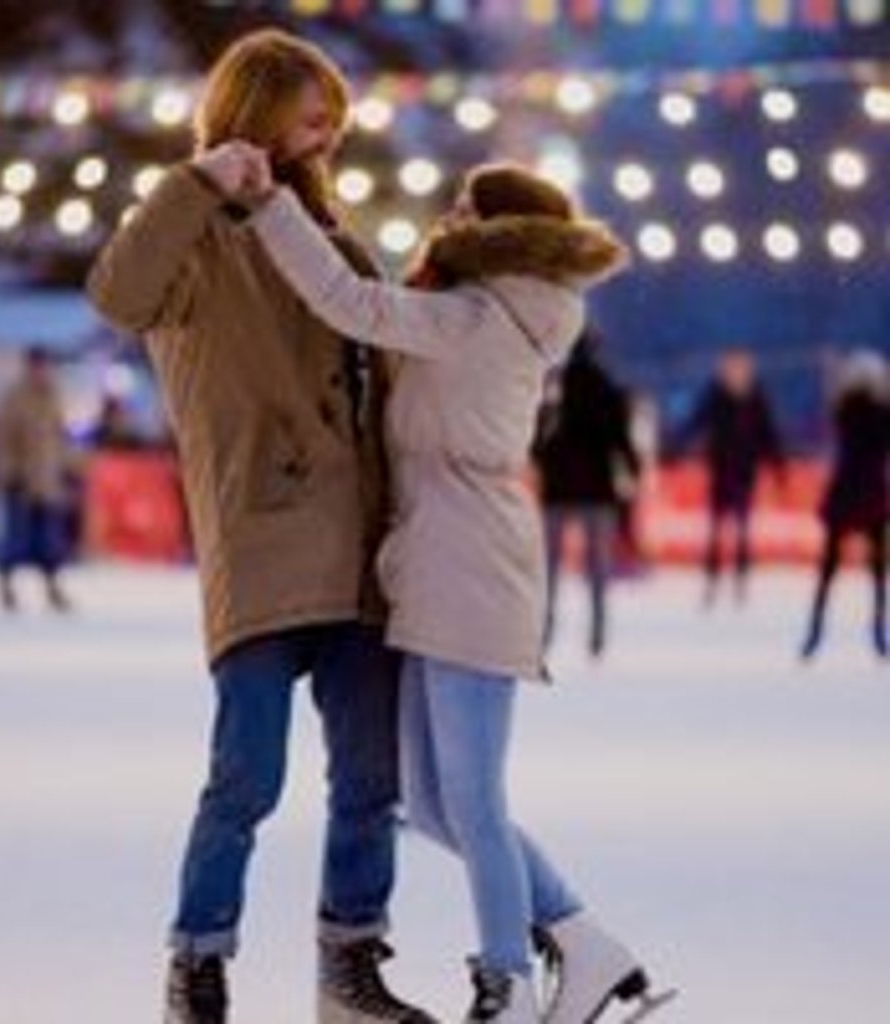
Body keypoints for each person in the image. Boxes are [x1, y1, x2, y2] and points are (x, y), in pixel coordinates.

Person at [216, 147, 673, 1023]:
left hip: (469, 568)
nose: (450, 218)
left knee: (471, 800)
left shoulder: (474, 314)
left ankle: (506, 979)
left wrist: (272, 205)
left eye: (467, 207)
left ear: (503, 229)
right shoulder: (483, 311)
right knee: (429, 803)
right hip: (445, 563)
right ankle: (582, 940)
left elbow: (348, 303)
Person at [86, 30, 433, 1024]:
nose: (328, 134)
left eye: (334, 118)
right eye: (312, 111)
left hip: (360, 550)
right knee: (246, 775)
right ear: (260, 108)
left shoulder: (335, 240)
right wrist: (192, 183)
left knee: (372, 778)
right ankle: (197, 964)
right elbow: (116, 294)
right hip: (263, 534)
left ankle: (349, 964)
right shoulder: (190, 246)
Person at [530, 329, 641, 658]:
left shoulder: (555, 390)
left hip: (558, 492)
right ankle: (597, 635)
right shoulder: (609, 389)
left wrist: (546, 464)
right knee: (597, 569)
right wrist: (634, 473)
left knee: (549, 568)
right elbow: (620, 439)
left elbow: (536, 441)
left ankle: (545, 631)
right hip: (599, 493)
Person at [672, 349, 784, 606]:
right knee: (716, 529)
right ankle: (712, 581)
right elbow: (697, 422)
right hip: (721, 470)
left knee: (742, 530)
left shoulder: (755, 397)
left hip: (745, 471)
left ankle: (740, 582)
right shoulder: (716, 395)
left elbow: (768, 432)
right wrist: (676, 448)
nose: (734, 373)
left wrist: (778, 465)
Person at [800, 350, 889, 659]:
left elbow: (834, 408)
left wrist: (834, 377)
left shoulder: (846, 409)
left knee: (828, 571)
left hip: (846, 493)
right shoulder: (880, 412)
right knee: (878, 573)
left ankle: (814, 632)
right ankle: (878, 634)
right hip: (874, 496)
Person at [0, 346, 72, 613]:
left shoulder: (54, 395)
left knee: (49, 540)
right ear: (29, 367)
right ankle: (6, 587)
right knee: (17, 538)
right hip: (21, 481)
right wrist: (8, 472)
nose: (41, 371)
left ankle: (53, 589)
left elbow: (60, 437)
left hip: (48, 482)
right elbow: (2, 439)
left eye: (45, 365)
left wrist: (69, 468)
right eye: (37, 365)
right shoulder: (14, 397)